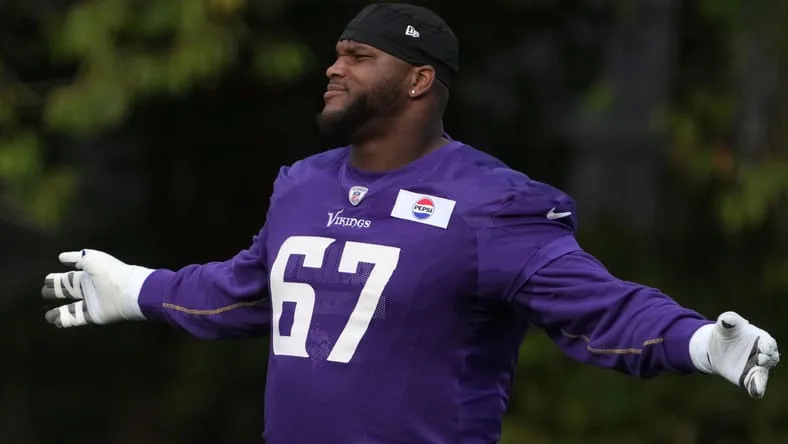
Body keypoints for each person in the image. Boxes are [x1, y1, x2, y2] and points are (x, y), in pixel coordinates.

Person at [41, 3, 779, 443]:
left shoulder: (492, 203)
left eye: (359, 56)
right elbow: (252, 292)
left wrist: (694, 342)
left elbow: (597, 307)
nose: (334, 68)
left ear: (419, 79)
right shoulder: (302, 185)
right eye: (336, 54)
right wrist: (138, 289)